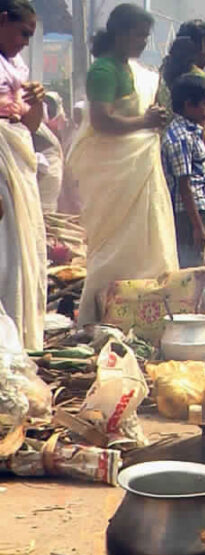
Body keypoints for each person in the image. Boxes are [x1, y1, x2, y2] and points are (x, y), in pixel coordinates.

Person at [69, 3, 174, 326]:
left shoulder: (135, 71)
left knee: (143, 242)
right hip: (114, 172)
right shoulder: (104, 70)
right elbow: (102, 121)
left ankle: (142, 316)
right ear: (119, 33)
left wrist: (154, 120)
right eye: (138, 34)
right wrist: (145, 121)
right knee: (113, 246)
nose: (143, 42)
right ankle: (96, 317)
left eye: (146, 36)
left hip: (138, 167)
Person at [0, 0, 46, 350]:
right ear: (3, 21)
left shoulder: (17, 67)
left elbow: (29, 127)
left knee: (22, 248)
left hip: (17, 157)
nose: (26, 41)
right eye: (24, 33)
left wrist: (38, 103)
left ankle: (19, 339)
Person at [161, 74, 205, 268]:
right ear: (188, 105)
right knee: (192, 266)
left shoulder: (193, 132)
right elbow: (185, 186)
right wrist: (198, 227)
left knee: (198, 264)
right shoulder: (180, 138)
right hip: (188, 214)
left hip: (197, 210)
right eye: (204, 105)